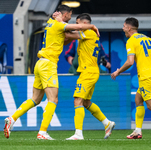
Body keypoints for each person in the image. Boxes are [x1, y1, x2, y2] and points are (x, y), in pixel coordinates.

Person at [3, 5, 100, 140]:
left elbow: (66, 36)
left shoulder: (50, 23)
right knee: (53, 99)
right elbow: (77, 27)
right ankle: (42, 132)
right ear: (65, 14)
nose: (70, 18)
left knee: (35, 99)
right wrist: (92, 26)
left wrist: (59, 20)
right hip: (48, 64)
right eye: (70, 15)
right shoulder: (59, 25)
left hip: (40, 63)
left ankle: (12, 119)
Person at [64, 13, 115, 140]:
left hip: (88, 72)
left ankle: (78, 134)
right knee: (85, 102)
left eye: (77, 23)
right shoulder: (90, 34)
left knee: (77, 100)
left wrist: (58, 26)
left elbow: (67, 35)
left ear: (84, 24)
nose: (76, 25)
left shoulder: (88, 33)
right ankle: (106, 123)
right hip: (91, 71)